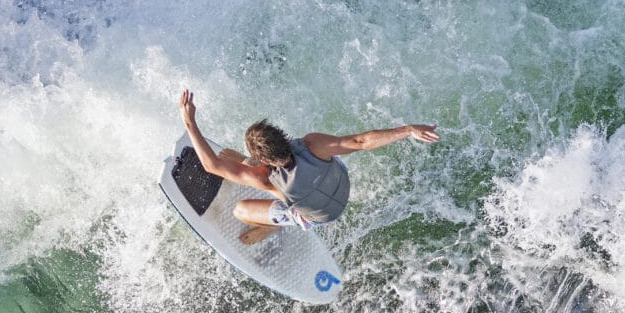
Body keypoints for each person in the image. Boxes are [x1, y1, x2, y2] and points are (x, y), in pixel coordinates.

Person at [177, 90, 440, 244]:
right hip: (340, 184)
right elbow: (361, 141)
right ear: (281, 134)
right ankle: (243, 162)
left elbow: (211, 165)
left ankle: (274, 225)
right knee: (245, 162)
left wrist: (190, 122)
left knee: (240, 209)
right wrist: (408, 129)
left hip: (317, 218)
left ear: (265, 162)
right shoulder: (313, 144)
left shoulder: (264, 178)